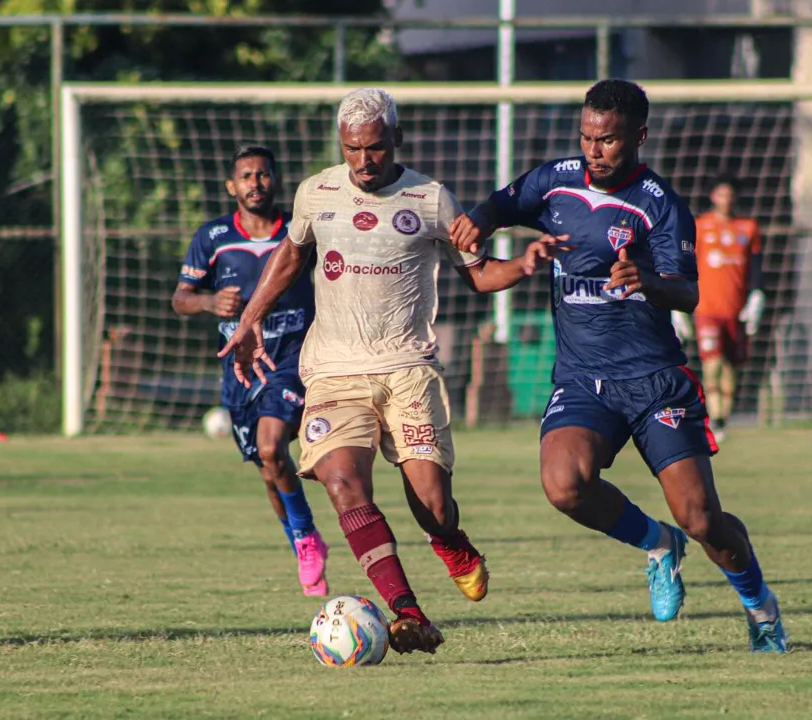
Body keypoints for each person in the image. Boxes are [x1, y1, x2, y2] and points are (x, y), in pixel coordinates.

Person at [449, 79, 788, 652]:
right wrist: (479, 222)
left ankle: (760, 605)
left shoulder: (660, 204)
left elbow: (687, 294)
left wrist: (646, 280)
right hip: (584, 377)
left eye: (607, 140)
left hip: (655, 380)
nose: (594, 150)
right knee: (564, 487)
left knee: (702, 519)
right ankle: (656, 544)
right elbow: (503, 205)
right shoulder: (553, 181)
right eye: (586, 137)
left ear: (638, 136)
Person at [218, 88, 559, 655]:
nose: (363, 161)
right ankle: (407, 611)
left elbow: (476, 274)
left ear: (395, 139)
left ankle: (451, 542)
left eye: (374, 148)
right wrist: (252, 315)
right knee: (342, 483)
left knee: (433, 506)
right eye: (352, 149)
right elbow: (291, 253)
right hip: (333, 373)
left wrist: (523, 264)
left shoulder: (430, 199)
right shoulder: (316, 193)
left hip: (407, 370)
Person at [173, 145, 329, 596]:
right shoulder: (213, 237)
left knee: (271, 445)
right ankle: (302, 539)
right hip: (240, 367)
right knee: (267, 466)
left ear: (275, 180)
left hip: (293, 356)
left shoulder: (300, 231)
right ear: (231, 186)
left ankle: (306, 535)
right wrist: (207, 301)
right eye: (246, 176)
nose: (255, 183)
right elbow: (180, 297)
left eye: (263, 175)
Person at [672, 173, 765, 443]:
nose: (725, 199)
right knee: (711, 362)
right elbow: (684, 266)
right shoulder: (699, 227)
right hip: (707, 310)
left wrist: (757, 296)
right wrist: (678, 305)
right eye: (721, 194)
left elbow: (756, 267)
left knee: (731, 366)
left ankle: (724, 417)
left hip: (735, 310)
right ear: (713, 197)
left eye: (729, 194)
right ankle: (715, 417)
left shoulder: (748, 228)